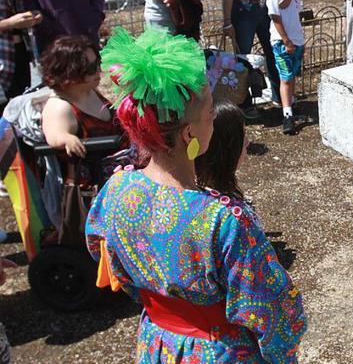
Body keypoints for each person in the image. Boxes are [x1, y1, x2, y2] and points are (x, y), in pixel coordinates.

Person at [85, 27, 307, 362]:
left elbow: (107, 257)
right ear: (190, 133)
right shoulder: (224, 219)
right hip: (218, 352)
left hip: (158, 342)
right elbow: (275, 314)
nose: (213, 125)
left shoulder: (115, 190)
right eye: (209, 116)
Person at [40, 37, 122, 166]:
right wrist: (66, 138)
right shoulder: (60, 107)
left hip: (121, 163)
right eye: (90, 68)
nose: (98, 71)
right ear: (68, 74)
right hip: (97, 176)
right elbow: (54, 136)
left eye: (97, 64)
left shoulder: (88, 90)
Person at [0, 0, 42, 106]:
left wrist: (30, 16)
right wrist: (10, 23)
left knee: (18, 99)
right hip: (3, 51)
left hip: (17, 49)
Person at [267, 0, 306, 135]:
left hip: (296, 40)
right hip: (284, 42)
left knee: (291, 76)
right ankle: (287, 114)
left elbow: (294, 11)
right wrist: (286, 40)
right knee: (285, 77)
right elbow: (276, 17)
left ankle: (290, 102)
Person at [195, 99, 249, 198]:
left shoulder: (191, 189)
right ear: (227, 147)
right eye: (242, 135)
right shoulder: (228, 208)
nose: (247, 142)